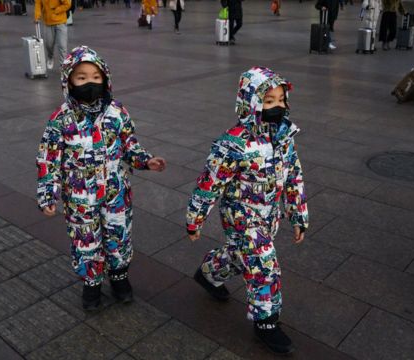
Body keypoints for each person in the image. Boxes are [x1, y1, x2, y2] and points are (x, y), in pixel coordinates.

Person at [187, 67, 309, 355]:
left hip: (269, 214)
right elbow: (210, 183)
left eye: (281, 99)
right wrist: (196, 218)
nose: (277, 106)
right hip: (240, 216)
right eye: (268, 101)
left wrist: (298, 213)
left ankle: (209, 272)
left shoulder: (284, 136)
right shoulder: (233, 143)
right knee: (264, 264)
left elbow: (294, 176)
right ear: (250, 103)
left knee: (241, 255)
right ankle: (266, 321)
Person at [36, 46, 167, 311]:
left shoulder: (118, 112)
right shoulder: (60, 119)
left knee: (118, 236)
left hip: (116, 192)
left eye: (96, 77)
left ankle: (119, 277)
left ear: (105, 79)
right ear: (68, 81)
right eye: (81, 78)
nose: (90, 83)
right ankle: (92, 283)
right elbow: (48, 160)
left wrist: (145, 161)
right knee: (86, 241)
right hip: (79, 197)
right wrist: (48, 194)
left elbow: (130, 146)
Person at [34, 0, 71, 70]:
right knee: (48, 44)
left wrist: (57, 10)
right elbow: (38, 4)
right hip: (48, 23)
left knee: (62, 46)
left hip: (61, 22)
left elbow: (67, 4)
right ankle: (50, 57)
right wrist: (37, 16)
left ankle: (63, 67)